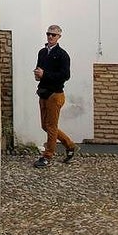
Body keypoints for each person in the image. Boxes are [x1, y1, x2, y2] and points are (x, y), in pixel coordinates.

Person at [33, 24, 78, 167]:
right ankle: (70, 145)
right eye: (48, 34)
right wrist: (39, 76)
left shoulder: (62, 55)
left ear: (59, 37)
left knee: (51, 127)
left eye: (53, 35)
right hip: (44, 93)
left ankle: (47, 156)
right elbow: (40, 69)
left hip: (55, 94)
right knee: (45, 126)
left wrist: (45, 75)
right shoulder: (42, 52)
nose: (50, 37)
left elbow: (65, 75)